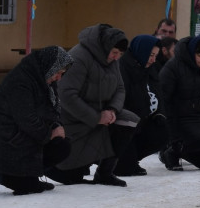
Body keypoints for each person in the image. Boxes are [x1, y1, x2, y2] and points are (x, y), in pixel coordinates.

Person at [0, 46, 73, 195]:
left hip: (26, 138)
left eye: (62, 74)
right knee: (27, 188)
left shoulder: (45, 79)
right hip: (5, 139)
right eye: (58, 72)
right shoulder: (20, 81)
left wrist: (56, 126)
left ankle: (29, 177)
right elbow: (27, 119)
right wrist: (50, 134)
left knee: (62, 146)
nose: (59, 78)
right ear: (49, 66)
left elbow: (51, 109)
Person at [54, 23, 138, 187]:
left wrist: (112, 109)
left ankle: (105, 173)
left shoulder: (112, 59)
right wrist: (96, 117)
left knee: (128, 120)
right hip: (74, 120)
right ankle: (67, 168)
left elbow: (120, 88)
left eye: (120, 54)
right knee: (72, 177)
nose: (116, 57)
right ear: (106, 46)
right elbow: (66, 94)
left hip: (101, 114)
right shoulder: (79, 57)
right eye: (114, 53)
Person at [158, 35, 200, 171]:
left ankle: (180, 150)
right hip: (181, 120)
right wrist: (170, 132)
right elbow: (163, 99)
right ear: (191, 52)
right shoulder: (174, 66)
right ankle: (173, 150)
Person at [113, 34, 170, 177]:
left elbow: (158, 94)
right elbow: (123, 99)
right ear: (141, 51)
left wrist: (160, 113)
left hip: (144, 120)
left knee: (163, 132)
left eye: (155, 56)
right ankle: (122, 161)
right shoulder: (122, 68)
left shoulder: (150, 68)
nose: (153, 59)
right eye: (150, 55)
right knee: (125, 170)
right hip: (124, 124)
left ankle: (132, 160)